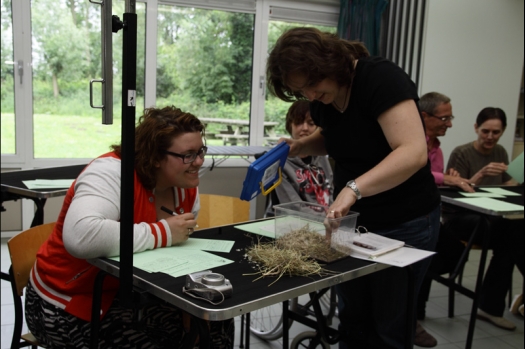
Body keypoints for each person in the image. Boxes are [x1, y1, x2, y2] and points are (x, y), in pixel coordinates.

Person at [266, 27, 441, 349]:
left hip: (404, 219)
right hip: (354, 223)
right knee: (352, 320)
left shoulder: (380, 79)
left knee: (389, 324)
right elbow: (334, 138)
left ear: (329, 65)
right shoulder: (324, 101)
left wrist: (353, 189)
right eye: (300, 90)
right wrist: (300, 146)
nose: (309, 96)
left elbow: (412, 151)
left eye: (311, 85)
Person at [25, 106, 234, 348]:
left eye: (201, 151)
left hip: (132, 293)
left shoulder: (185, 183)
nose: (198, 162)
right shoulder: (110, 173)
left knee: (215, 324)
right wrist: (163, 232)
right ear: (155, 156)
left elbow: (176, 254)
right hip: (66, 300)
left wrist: (189, 305)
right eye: (188, 154)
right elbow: (80, 237)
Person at [444, 107, 523, 330]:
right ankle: (491, 306)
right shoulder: (461, 152)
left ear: (503, 131)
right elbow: (454, 191)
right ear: (476, 128)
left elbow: (506, 187)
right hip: (460, 218)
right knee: (513, 234)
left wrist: (516, 178)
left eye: (496, 133)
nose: (490, 137)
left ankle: (489, 308)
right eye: (486, 131)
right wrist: (479, 176)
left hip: (490, 219)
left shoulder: (500, 152)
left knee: (511, 240)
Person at [414, 92, 473, 347]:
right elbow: (419, 170)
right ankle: (412, 314)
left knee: (448, 254)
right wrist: (445, 178)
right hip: (409, 216)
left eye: (451, 118)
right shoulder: (413, 140)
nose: (449, 123)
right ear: (425, 116)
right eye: (444, 118)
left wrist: (446, 176)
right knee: (428, 256)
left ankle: (415, 309)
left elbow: (432, 175)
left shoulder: (436, 146)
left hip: (427, 214)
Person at [265, 100, 333, 217]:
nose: (305, 128)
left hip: (326, 221)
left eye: (311, 123)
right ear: (289, 126)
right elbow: (292, 207)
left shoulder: (322, 157)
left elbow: (330, 193)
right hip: (291, 223)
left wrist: (335, 215)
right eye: (298, 123)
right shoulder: (279, 162)